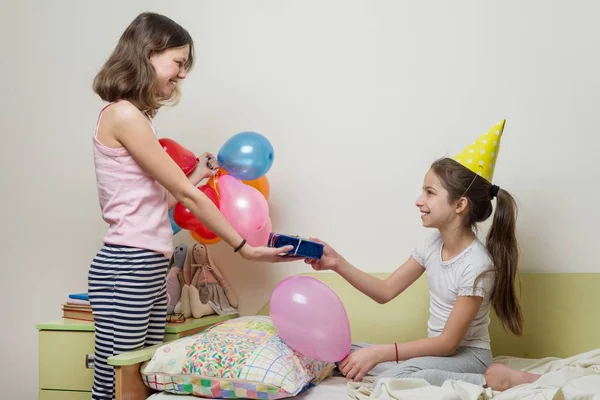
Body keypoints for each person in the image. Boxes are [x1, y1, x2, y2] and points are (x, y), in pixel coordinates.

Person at [88, 12, 295, 400]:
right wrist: (243, 247)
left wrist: (196, 175)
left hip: (146, 264)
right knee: (116, 381)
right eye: (178, 63)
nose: (182, 74)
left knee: (139, 379)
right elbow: (185, 197)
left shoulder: (137, 119)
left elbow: (156, 202)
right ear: (149, 54)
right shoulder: (123, 115)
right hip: (127, 264)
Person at [304, 120, 541, 390]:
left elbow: (448, 343)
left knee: (395, 379)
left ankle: (489, 379)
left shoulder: (477, 265)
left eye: (430, 192)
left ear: (460, 205)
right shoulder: (431, 244)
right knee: (346, 352)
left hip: (468, 357)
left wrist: (381, 353)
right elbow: (385, 291)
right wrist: (337, 263)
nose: (419, 200)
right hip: (438, 355)